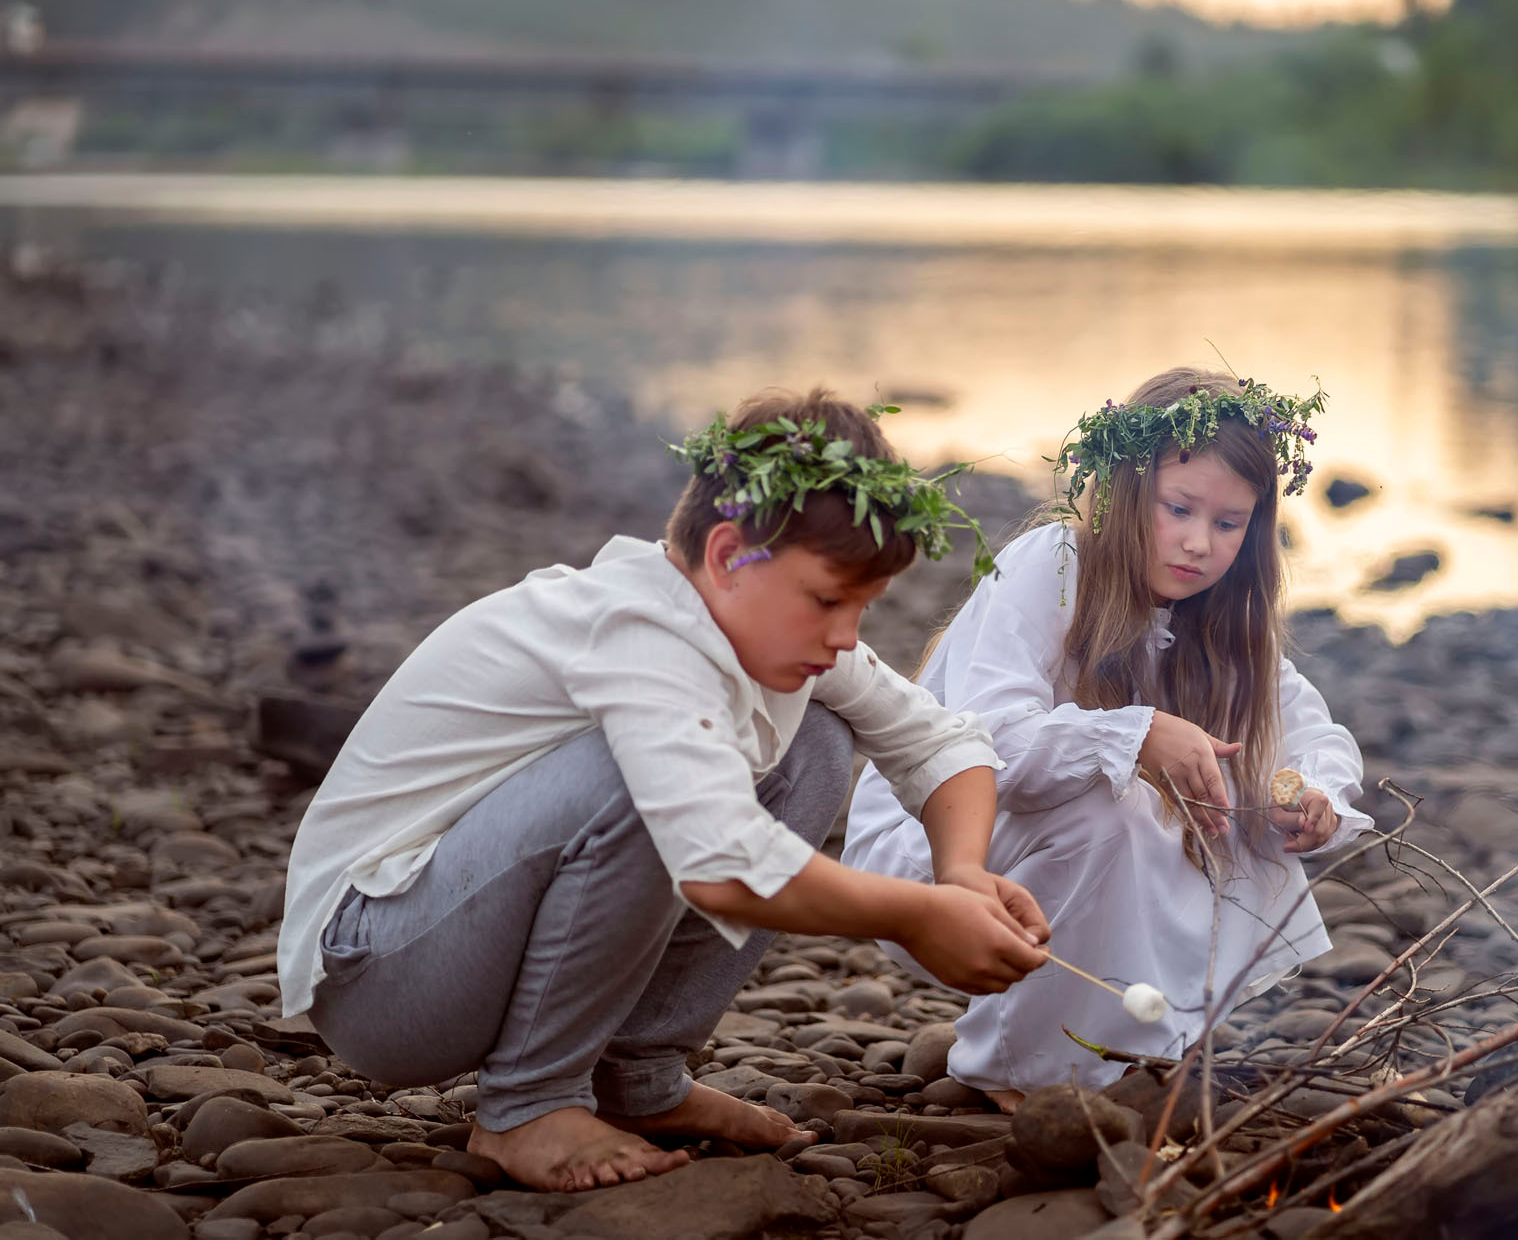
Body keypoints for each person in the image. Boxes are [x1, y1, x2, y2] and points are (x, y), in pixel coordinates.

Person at [275, 388, 1050, 1192]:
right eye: (828, 598)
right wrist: (915, 913)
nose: (846, 635)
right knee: (640, 780)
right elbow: (720, 860)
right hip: (379, 973)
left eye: (862, 605)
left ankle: (634, 1078)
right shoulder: (638, 630)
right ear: (729, 554)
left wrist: (960, 872)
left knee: (817, 740)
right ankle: (528, 1103)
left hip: (463, 935)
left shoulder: (767, 627)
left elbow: (941, 740)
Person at [842, 367, 1372, 1108]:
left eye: (1228, 524)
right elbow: (990, 749)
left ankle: (1122, 1042)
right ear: (1126, 490)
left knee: (1212, 806)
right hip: (930, 851)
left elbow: (1311, 732)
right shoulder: (1057, 563)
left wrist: (1317, 796)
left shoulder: (1225, 619)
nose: (1198, 543)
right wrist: (1140, 732)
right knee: (1112, 809)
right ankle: (1024, 1070)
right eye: (1178, 508)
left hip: (1048, 849)